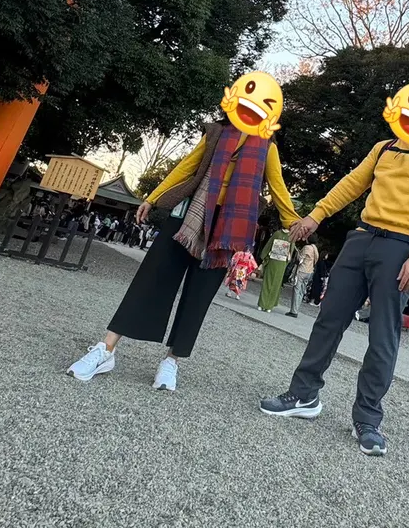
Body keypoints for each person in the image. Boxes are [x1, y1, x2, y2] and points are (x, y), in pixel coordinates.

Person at [261, 81, 409, 457]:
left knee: (382, 337)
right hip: (361, 238)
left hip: (400, 247)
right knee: (328, 320)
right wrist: (316, 215)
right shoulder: (382, 149)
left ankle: (368, 419)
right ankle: (303, 395)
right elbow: (352, 184)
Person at [67, 71, 298, 392]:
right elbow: (185, 167)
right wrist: (152, 197)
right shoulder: (216, 133)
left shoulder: (267, 149)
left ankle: (171, 361)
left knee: (198, 297)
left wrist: (295, 222)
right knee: (151, 280)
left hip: (228, 229)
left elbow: (278, 188)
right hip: (188, 217)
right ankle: (106, 349)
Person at [257, 226, 295, 312]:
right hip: (281, 262)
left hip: (273, 259)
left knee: (268, 282)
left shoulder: (277, 233)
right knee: (275, 284)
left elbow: (268, 246)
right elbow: (291, 251)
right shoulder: (291, 236)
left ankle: (262, 304)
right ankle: (268, 306)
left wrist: (264, 257)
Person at [286, 240, 319, 318]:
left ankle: (293, 310)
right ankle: (296, 309)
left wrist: (298, 253)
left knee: (296, 289)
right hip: (310, 271)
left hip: (302, 270)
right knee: (302, 291)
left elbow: (300, 259)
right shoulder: (315, 248)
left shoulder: (307, 247)